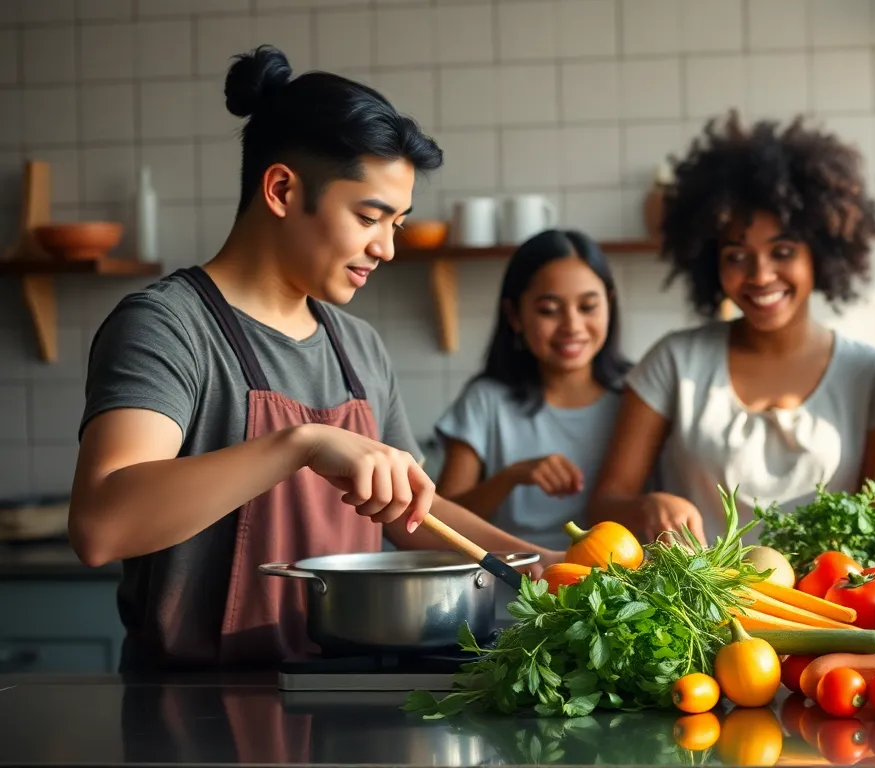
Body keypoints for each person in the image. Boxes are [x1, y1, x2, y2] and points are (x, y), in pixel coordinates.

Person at [67, 45, 562, 672]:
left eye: (397, 225)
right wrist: (300, 444)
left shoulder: (357, 346)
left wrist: (540, 564)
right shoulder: (167, 327)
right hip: (196, 713)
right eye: (369, 217)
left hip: (340, 699)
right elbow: (100, 526)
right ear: (281, 189)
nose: (385, 248)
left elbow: (411, 514)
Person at [588, 112, 875, 546]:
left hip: (822, 608)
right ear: (711, 262)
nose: (760, 275)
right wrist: (645, 505)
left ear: (820, 256)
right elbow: (603, 504)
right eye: (736, 255)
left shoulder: (870, 374)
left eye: (782, 251)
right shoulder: (675, 361)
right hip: (695, 605)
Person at [432, 229, 634, 552]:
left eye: (588, 306)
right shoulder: (485, 401)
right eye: (549, 310)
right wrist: (511, 476)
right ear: (514, 315)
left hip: (622, 586)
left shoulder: (637, 397)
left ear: (609, 304)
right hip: (519, 587)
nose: (572, 326)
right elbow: (439, 524)